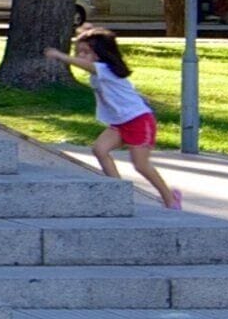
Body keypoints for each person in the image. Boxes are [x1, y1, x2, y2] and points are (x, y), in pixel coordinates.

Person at [51, 26, 182, 210]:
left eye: (85, 52)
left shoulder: (105, 69)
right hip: (120, 123)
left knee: (140, 165)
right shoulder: (97, 75)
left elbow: (88, 66)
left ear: (100, 54)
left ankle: (170, 198)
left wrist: (61, 56)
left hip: (138, 120)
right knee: (100, 149)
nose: (80, 56)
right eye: (78, 52)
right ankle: (118, 191)